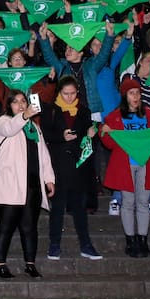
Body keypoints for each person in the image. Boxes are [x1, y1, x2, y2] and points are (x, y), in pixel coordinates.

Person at [101, 77, 150, 259]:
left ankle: (142, 241)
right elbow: (110, 143)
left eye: (138, 93)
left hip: (146, 164)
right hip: (125, 165)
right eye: (131, 93)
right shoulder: (115, 116)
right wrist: (104, 132)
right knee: (127, 203)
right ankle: (130, 241)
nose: (136, 96)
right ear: (125, 96)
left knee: (143, 203)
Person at [0, 89, 55, 279]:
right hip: (9, 183)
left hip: (32, 183)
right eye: (15, 102)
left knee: (29, 226)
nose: (20, 105)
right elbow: (10, 129)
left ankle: (30, 264)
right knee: (5, 225)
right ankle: (0, 264)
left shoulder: (34, 128)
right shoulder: (1, 121)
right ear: (9, 105)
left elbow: (43, 155)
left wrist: (49, 178)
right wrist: (24, 116)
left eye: (23, 101)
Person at [39, 76, 102, 261]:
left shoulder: (84, 111)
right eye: (65, 94)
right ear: (59, 93)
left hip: (78, 167)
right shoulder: (50, 110)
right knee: (57, 208)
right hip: (58, 166)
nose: (69, 97)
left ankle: (86, 245)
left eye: (72, 93)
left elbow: (87, 138)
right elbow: (46, 134)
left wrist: (92, 134)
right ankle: (54, 245)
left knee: (80, 209)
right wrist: (61, 136)